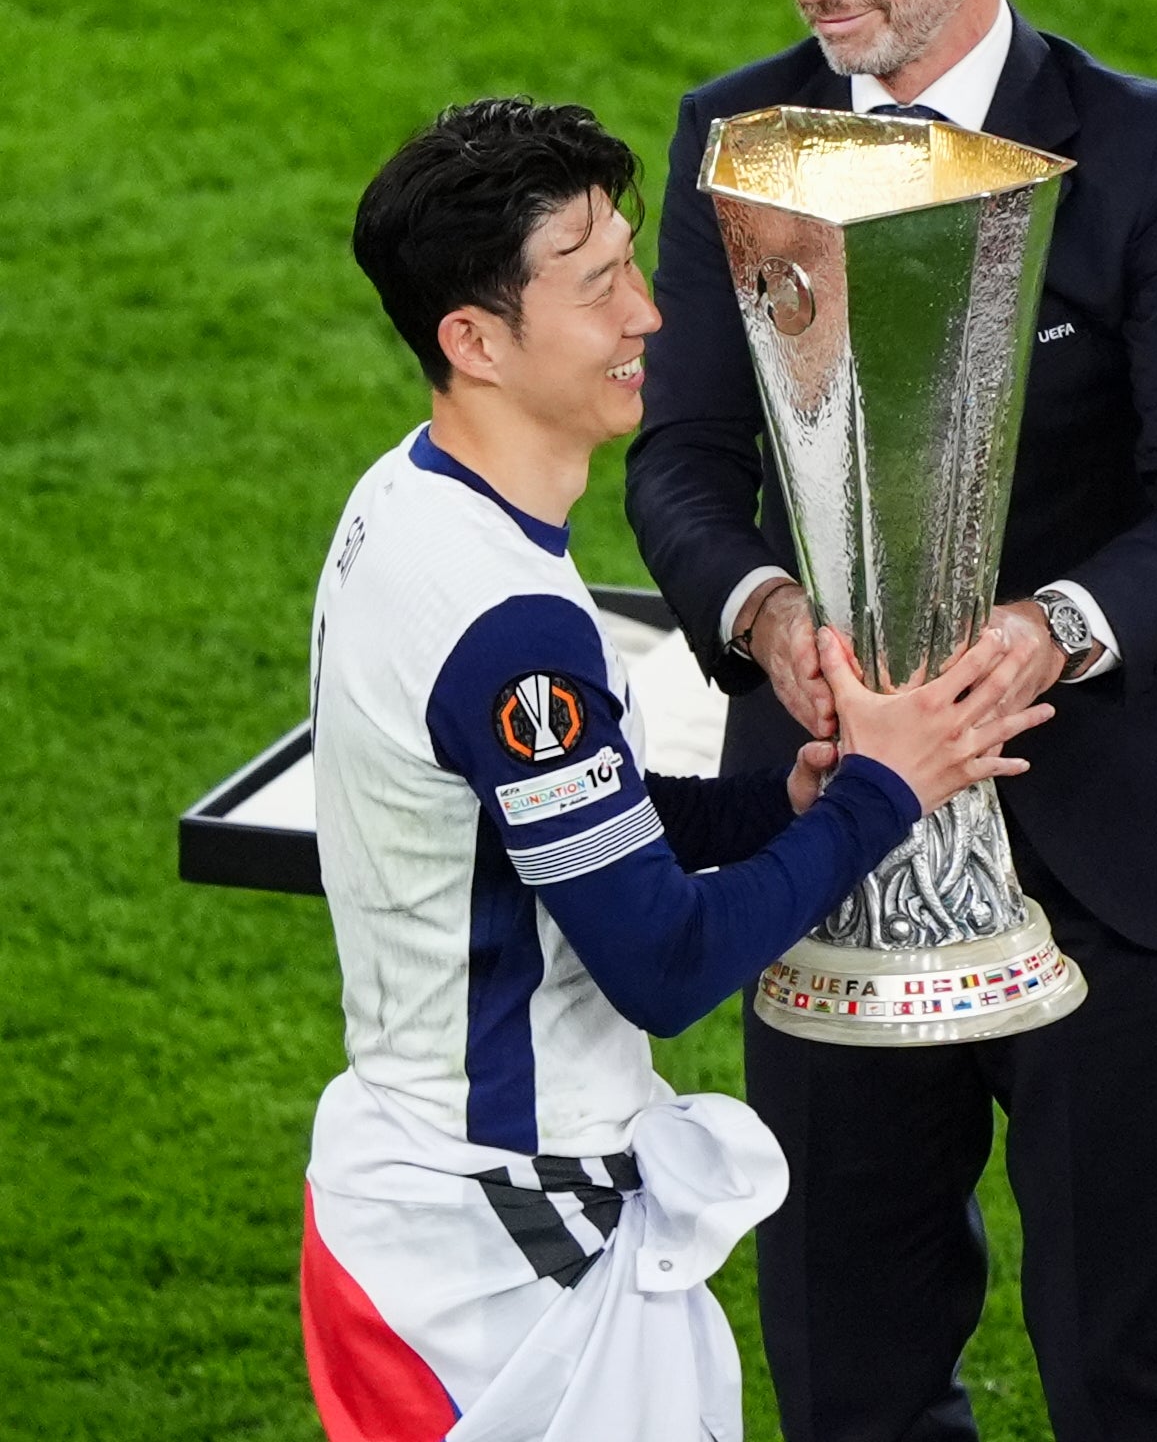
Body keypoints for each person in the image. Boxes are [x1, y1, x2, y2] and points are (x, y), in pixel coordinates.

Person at [626, 0, 1157, 1442]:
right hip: (826, 818)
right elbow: (680, 462)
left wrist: (1038, 639)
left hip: (1111, 861)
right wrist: (772, 618)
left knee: (1132, 1368)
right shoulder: (733, 135)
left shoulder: (1151, 155)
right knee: (848, 1370)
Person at [301, 96, 1052, 1442]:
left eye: (634, 265)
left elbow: (546, 831)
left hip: (426, 1197)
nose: (647, 316)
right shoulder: (512, 629)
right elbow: (662, 960)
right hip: (501, 1252)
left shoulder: (406, 500)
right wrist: (890, 791)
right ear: (473, 340)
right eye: (595, 288)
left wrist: (786, 802)